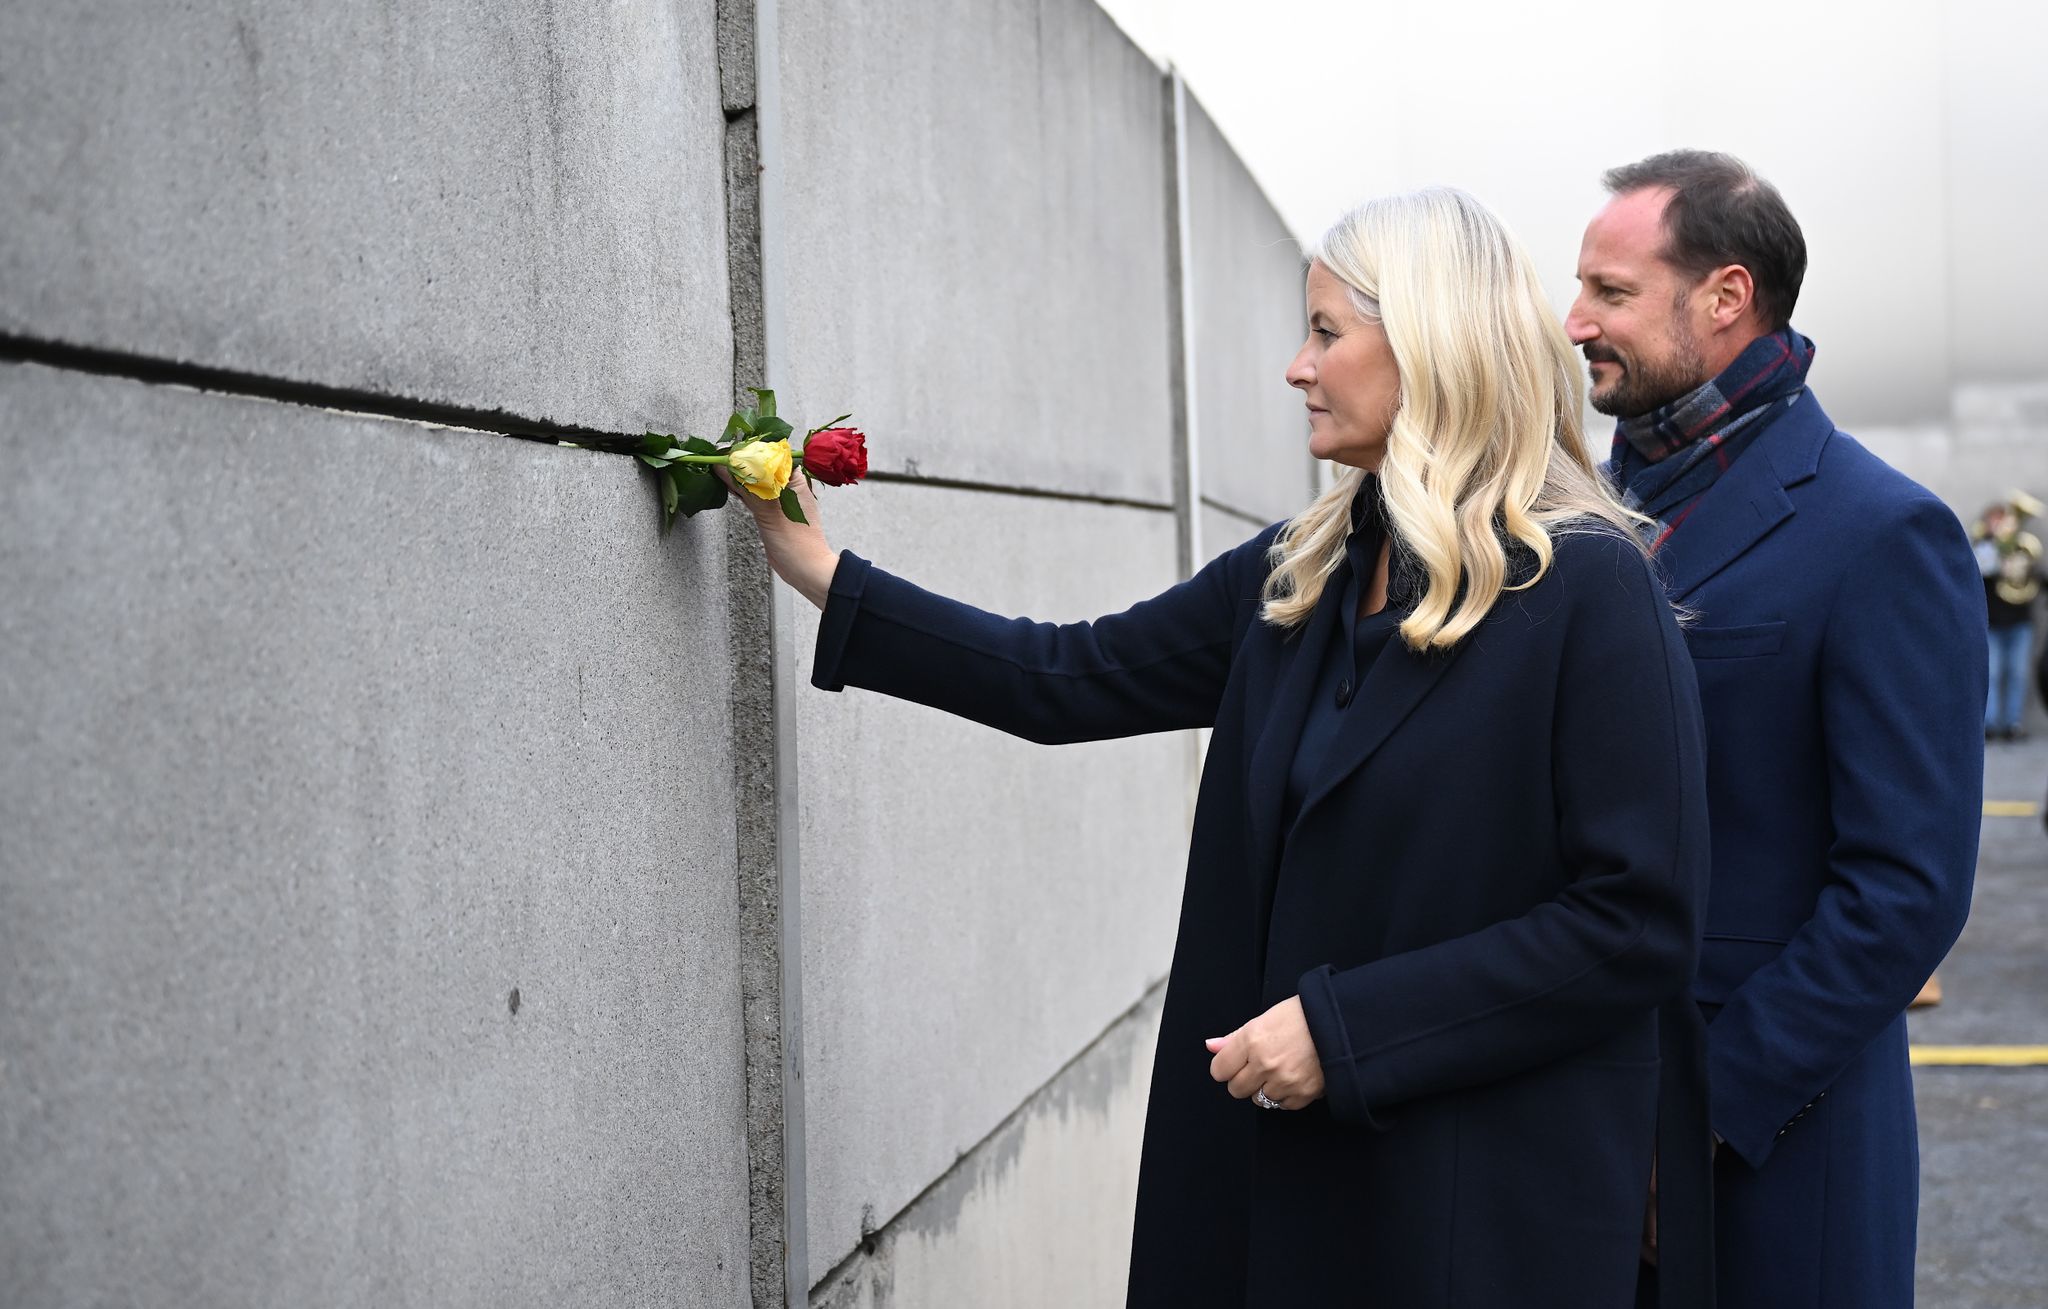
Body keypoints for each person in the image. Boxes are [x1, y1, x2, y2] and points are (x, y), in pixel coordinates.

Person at [732, 188, 1714, 1308]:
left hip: (1468, 1215)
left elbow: (1635, 924)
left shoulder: (1588, 588)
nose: (1298, 367)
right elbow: (1062, 676)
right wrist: (821, 575)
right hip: (1275, 1191)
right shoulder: (1301, 569)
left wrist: (1344, 1033)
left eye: (1326, 333)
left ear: (1433, 348)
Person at [1566, 150, 1985, 1309]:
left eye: (1609, 291)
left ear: (1724, 297)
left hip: (1771, 1154)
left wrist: (1700, 1117)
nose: (1572, 321)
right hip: (1578, 1127)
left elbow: (1903, 889)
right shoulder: (1589, 521)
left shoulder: (1879, 533)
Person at [1972, 496, 2043, 741]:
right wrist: (2000, 557)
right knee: (1991, 675)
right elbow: (1980, 573)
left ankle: (2013, 725)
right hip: (1993, 623)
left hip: (2021, 622)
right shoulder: (1982, 546)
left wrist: (2022, 567)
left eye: (2003, 520)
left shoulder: (2022, 548)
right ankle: (1989, 726)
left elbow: (2035, 578)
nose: (2000, 526)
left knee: (2018, 675)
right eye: (1995, 521)